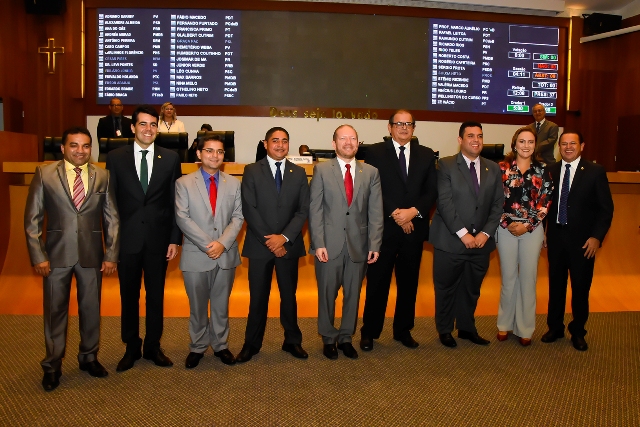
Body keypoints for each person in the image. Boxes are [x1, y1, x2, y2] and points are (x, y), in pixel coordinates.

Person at [24, 126, 119, 391]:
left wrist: (111, 253)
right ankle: (52, 365)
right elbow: (32, 219)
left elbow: (112, 218)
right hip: (55, 257)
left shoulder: (103, 176)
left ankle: (89, 358)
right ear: (63, 148)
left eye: (86, 146)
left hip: (92, 256)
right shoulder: (44, 174)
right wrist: (38, 255)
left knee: (91, 310)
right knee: (55, 312)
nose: (80, 151)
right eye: (74, 145)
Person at [106, 104, 183, 371]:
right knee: (128, 295)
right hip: (127, 240)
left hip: (158, 241)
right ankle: (131, 346)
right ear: (132, 127)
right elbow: (110, 203)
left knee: (155, 295)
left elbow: (175, 203)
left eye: (153, 124)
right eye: (143, 124)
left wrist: (175, 239)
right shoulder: (115, 158)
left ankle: (152, 346)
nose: (148, 129)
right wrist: (111, 242)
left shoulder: (171, 158)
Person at [360, 110, 437, 351]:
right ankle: (369, 332)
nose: (404, 128)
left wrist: (413, 212)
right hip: (383, 230)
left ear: (414, 128)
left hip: (413, 230)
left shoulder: (426, 154)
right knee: (377, 283)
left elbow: (431, 192)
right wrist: (396, 212)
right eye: (399, 124)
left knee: (409, 283)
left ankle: (403, 330)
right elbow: (372, 188)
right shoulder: (374, 152)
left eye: (408, 124)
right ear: (389, 127)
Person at [309, 124, 383, 360]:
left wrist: (374, 244)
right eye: (343, 138)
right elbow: (315, 209)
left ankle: (346, 337)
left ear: (358, 143)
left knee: (353, 294)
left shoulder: (371, 172)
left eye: (353, 138)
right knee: (327, 294)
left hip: (358, 246)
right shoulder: (321, 170)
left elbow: (376, 212)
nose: (348, 142)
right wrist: (318, 242)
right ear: (334, 144)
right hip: (328, 246)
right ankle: (328, 338)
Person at [237, 127, 310, 363]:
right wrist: (271, 240)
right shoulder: (251, 170)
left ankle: (292, 341)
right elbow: (249, 208)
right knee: (258, 297)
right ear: (266, 143)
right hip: (261, 246)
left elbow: (303, 210)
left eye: (284, 141)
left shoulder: (298, 173)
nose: (280, 145)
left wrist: (284, 238)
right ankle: (252, 344)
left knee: (289, 296)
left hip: (288, 245)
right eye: (275, 141)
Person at [429, 121, 504, 348]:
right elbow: (444, 203)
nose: (476, 140)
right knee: (446, 289)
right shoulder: (446, 165)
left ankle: (466, 328)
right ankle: (444, 330)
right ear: (460, 140)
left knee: (471, 289)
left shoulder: (493, 168)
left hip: (481, 243)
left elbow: (497, 205)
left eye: (479, 136)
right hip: (451, 241)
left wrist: (485, 233)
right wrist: (463, 234)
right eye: (470, 136)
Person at [175, 135, 244, 368]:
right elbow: (182, 218)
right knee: (197, 306)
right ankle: (197, 346)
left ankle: (221, 345)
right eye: (209, 151)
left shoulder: (234, 184)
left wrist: (222, 243)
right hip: (196, 255)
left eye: (220, 152)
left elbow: (238, 217)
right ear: (199, 154)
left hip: (225, 254)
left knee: (221, 305)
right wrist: (209, 244)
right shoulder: (183, 183)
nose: (215, 156)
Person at [541, 131, 614, 351]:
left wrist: (596, 237)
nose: (568, 147)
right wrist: (544, 231)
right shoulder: (550, 171)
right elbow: (545, 205)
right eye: (564, 144)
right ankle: (555, 327)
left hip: (584, 242)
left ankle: (578, 331)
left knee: (581, 288)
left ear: (582, 145)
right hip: (555, 239)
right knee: (556, 286)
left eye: (573, 143)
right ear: (559, 147)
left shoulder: (595, 171)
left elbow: (606, 209)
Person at [496, 127, 553, 347]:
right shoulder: (501, 168)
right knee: (508, 278)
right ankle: (504, 325)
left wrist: (527, 225)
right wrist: (508, 223)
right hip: (505, 228)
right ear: (514, 144)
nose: (526, 145)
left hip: (532, 230)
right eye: (522, 141)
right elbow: (494, 199)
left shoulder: (543, 170)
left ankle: (525, 328)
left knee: (528, 279)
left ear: (535, 145)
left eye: (530, 142)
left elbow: (545, 202)